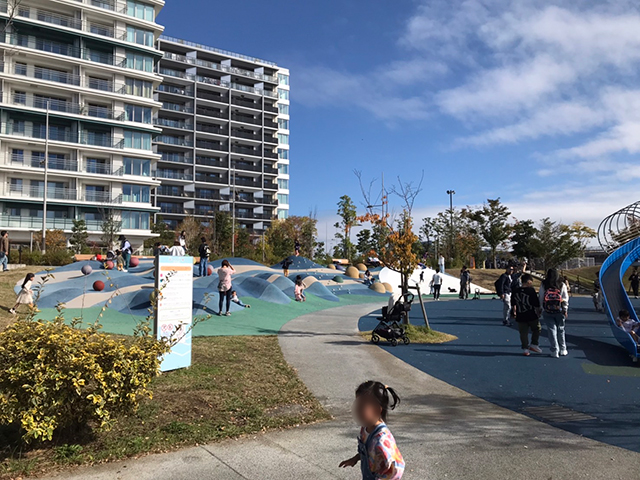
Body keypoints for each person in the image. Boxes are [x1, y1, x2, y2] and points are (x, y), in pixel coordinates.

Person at [339, 380, 405, 479]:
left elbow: (397, 468)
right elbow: (368, 452)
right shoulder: (365, 428)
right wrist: (355, 458)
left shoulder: (382, 441)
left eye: (361, 407)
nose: (357, 410)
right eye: (357, 405)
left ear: (376, 410)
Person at [539, 268, 569, 358]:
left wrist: (541, 308)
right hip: (559, 310)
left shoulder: (544, 284)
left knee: (551, 330)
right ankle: (563, 349)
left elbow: (541, 296)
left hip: (547, 310)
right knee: (561, 329)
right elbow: (565, 297)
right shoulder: (561, 284)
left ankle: (554, 350)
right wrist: (565, 309)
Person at [511, 273, 542, 356]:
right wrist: (538, 312)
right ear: (528, 282)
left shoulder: (516, 290)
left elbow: (513, 303)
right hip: (531, 314)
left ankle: (525, 348)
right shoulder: (531, 291)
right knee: (537, 329)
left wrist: (514, 312)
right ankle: (534, 343)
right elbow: (536, 303)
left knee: (523, 333)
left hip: (520, 314)